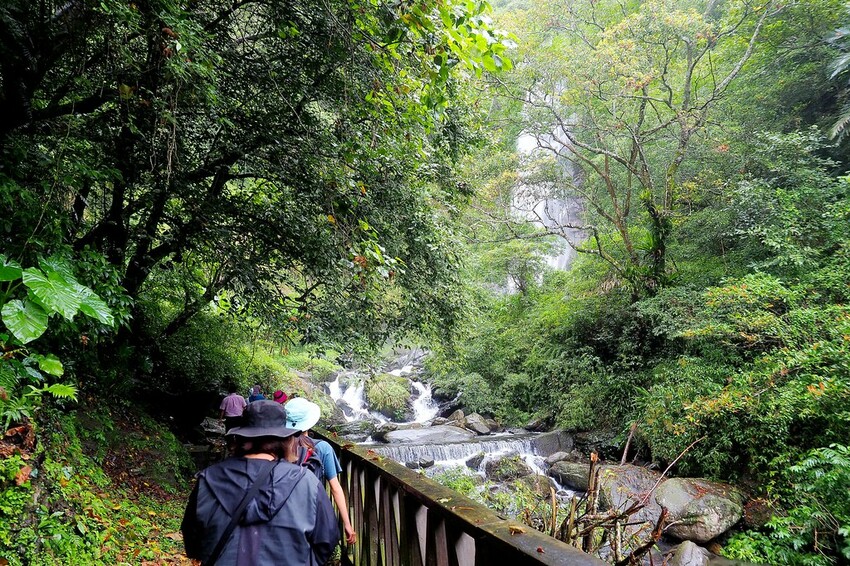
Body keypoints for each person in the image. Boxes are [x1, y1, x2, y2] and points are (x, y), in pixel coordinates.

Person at [182, 400, 339, 565]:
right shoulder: (306, 482)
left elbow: (193, 543)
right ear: (286, 440)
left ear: (240, 438)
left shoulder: (208, 480)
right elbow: (326, 539)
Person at [284, 397, 357, 545]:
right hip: (313, 515)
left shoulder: (278, 447)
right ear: (309, 423)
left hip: (283, 514)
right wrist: (347, 524)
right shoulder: (323, 448)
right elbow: (335, 488)